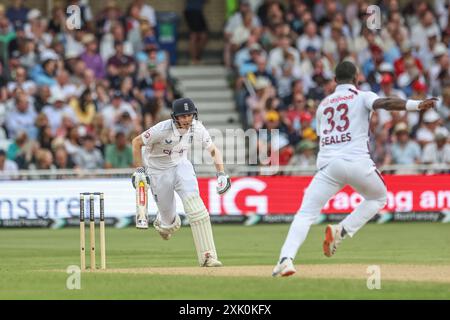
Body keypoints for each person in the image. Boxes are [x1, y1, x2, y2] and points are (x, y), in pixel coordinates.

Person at [272, 61, 437, 277]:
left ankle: (286, 259)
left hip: (329, 166)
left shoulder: (323, 105)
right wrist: (416, 105)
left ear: (334, 80)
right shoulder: (362, 95)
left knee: (305, 214)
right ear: (357, 77)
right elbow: (385, 103)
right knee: (378, 197)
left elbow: (324, 138)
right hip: (357, 162)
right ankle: (342, 230)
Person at [131, 97, 231, 267]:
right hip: (158, 171)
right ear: (175, 117)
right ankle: (163, 224)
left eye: (190, 115)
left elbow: (213, 150)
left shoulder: (197, 128)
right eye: (183, 116)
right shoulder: (161, 129)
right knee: (170, 224)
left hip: (181, 165)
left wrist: (221, 173)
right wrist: (140, 170)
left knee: (197, 209)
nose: (187, 119)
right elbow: (136, 142)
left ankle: (208, 256)